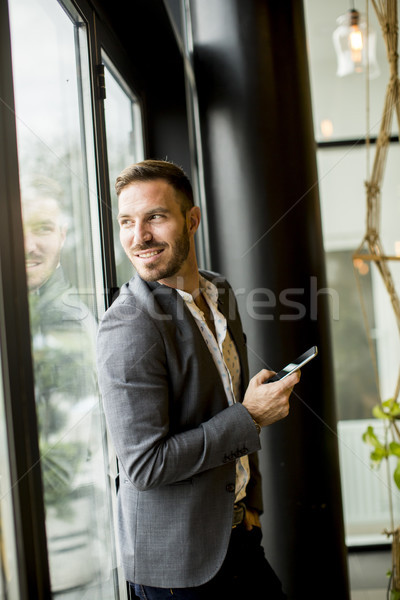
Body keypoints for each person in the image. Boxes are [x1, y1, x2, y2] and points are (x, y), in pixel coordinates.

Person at [96, 160, 300, 599]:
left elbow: (229, 401)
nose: (139, 237)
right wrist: (251, 417)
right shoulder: (128, 325)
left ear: (192, 220)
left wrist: (251, 509)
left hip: (239, 535)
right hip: (179, 569)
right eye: (126, 222)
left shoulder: (218, 291)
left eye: (155, 217)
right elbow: (146, 466)